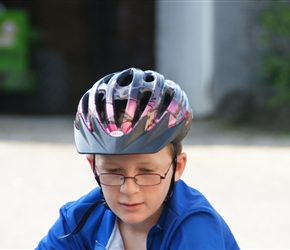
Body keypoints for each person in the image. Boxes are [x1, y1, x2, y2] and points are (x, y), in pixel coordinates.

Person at [36, 67, 239, 249]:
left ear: (178, 166)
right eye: (113, 172)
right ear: (93, 167)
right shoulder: (78, 220)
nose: (129, 189)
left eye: (147, 172)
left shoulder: (196, 228)